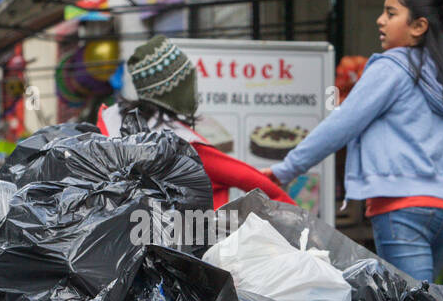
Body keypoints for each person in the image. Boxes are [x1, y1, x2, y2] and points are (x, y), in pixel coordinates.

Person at [262, 0, 443, 283]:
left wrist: (288, 168)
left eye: (391, 13)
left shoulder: (391, 67)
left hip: (401, 208)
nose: (380, 20)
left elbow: (342, 124)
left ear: (418, 26)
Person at [98, 35, 296, 210]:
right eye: (186, 80)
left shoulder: (110, 127)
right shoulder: (186, 147)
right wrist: (306, 230)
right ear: (170, 89)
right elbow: (257, 183)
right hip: (191, 245)